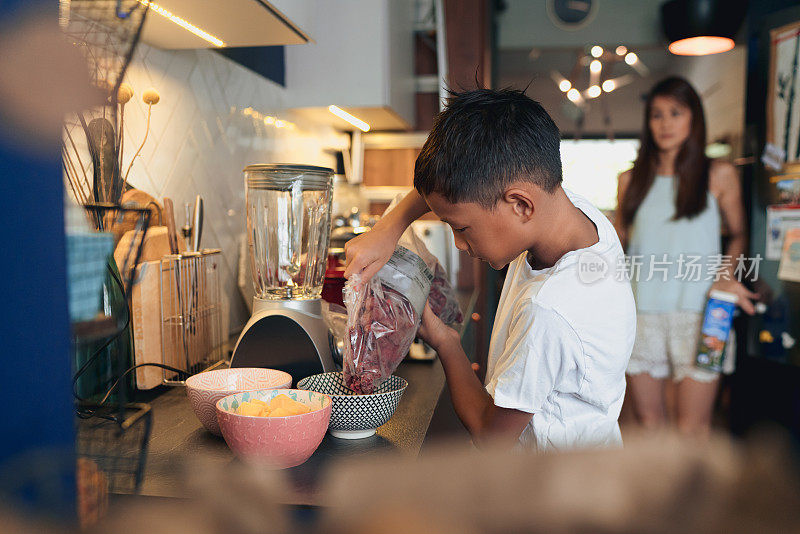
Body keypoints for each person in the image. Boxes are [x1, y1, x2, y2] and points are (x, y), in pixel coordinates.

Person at [344, 88, 636, 451]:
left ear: (520, 205)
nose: (459, 244)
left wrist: (446, 343)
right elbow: (450, 184)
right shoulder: (570, 209)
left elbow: (490, 435)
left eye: (461, 228)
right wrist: (388, 228)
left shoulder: (550, 311)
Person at [615, 77, 757, 438]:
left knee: (693, 427)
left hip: (706, 315)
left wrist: (727, 275)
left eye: (675, 113)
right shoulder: (629, 181)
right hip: (641, 316)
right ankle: (660, 495)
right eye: (657, 115)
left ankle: (697, 496)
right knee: (649, 425)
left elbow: (739, 233)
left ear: (694, 118)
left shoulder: (719, 175)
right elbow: (616, 245)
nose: (665, 124)